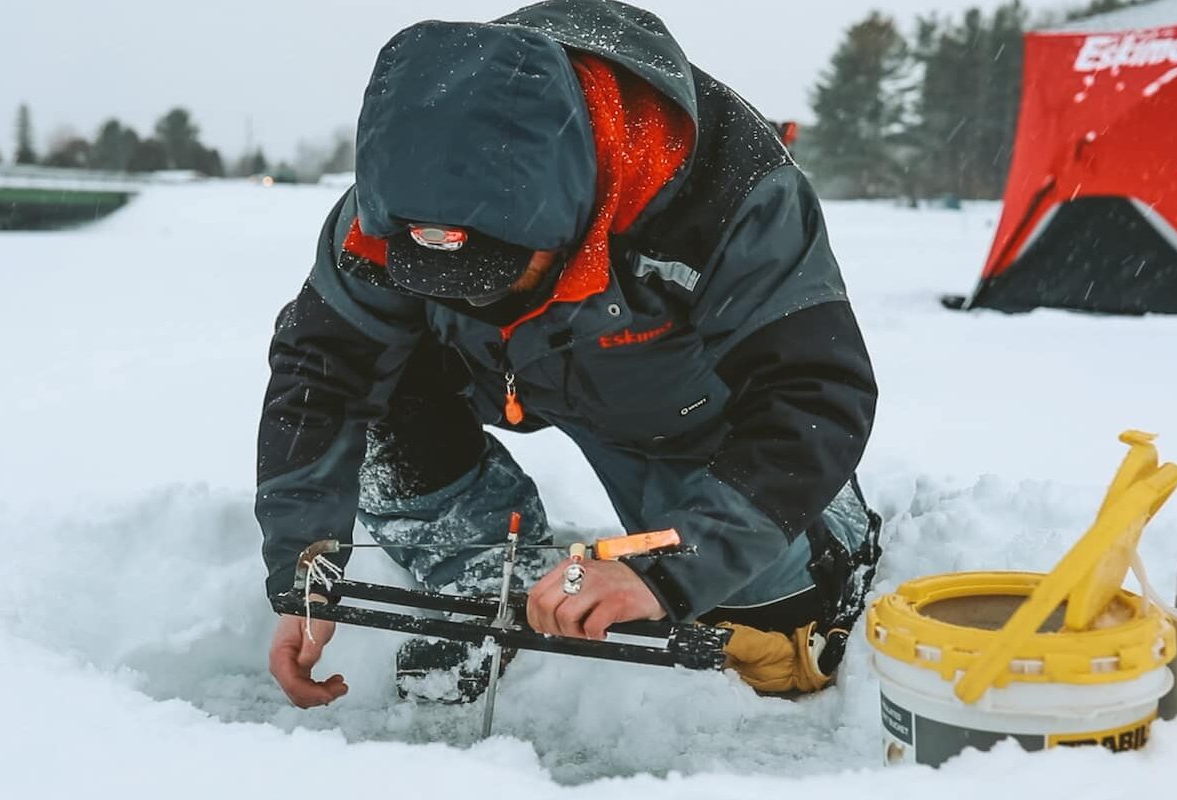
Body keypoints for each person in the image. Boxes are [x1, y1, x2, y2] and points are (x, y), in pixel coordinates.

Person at [257, 0, 880, 709]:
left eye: (497, 278)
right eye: (443, 285)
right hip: (497, 377)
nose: (472, 304)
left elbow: (814, 393)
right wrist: (304, 571)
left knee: (775, 633)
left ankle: (830, 541)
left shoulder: (729, 192)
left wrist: (669, 568)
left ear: (570, 210)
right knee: (372, 388)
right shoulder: (400, 195)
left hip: (681, 402)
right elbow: (320, 372)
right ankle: (481, 562)